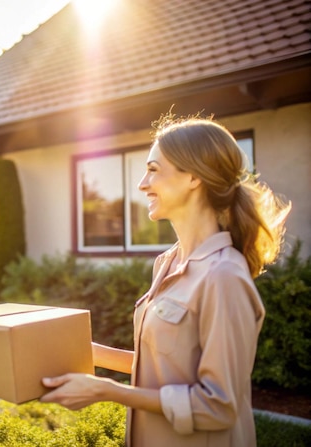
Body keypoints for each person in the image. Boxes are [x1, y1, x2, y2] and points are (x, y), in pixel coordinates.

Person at [40, 114, 291, 447]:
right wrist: (87, 353)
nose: (143, 183)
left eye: (154, 170)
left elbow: (219, 406)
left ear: (193, 177)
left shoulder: (223, 276)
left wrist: (109, 391)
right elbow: (167, 368)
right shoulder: (167, 263)